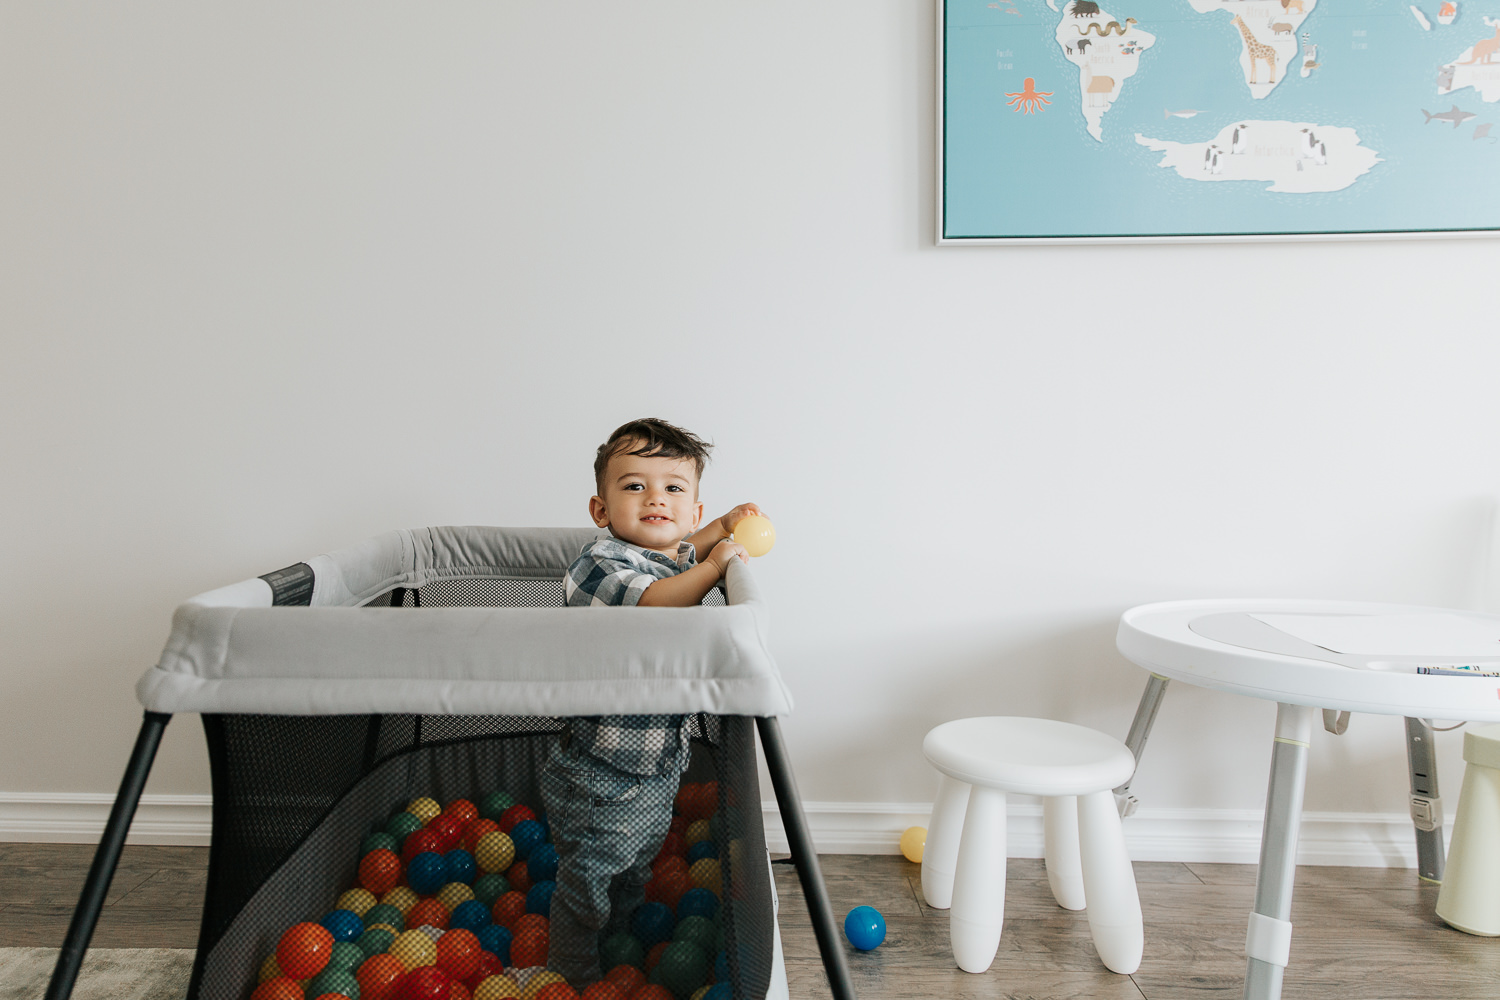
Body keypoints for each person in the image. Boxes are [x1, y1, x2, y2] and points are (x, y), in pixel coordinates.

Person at [541, 417, 763, 986]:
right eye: (635, 486)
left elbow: (694, 543)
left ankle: (625, 928)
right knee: (591, 873)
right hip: (599, 770)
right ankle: (571, 966)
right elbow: (658, 602)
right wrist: (717, 566)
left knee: (639, 858)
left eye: (672, 488)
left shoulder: (672, 554)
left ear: (691, 510)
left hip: (657, 762)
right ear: (600, 510)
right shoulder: (600, 565)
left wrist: (730, 524)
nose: (655, 499)